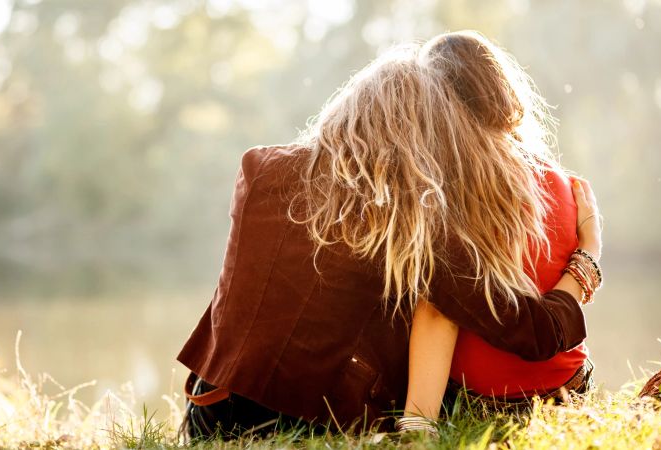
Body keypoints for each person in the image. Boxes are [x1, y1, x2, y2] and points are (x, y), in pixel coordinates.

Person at [177, 32, 602, 440]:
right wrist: (588, 256)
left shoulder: (259, 168)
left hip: (211, 410)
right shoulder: (413, 216)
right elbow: (535, 333)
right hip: (314, 422)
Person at [400, 32, 602, 434]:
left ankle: (418, 423)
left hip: (485, 403)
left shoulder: (447, 190)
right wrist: (593, 248)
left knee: (430, 292)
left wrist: (418, 423)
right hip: (568, 387)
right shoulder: (562, 182)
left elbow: (439, 313)